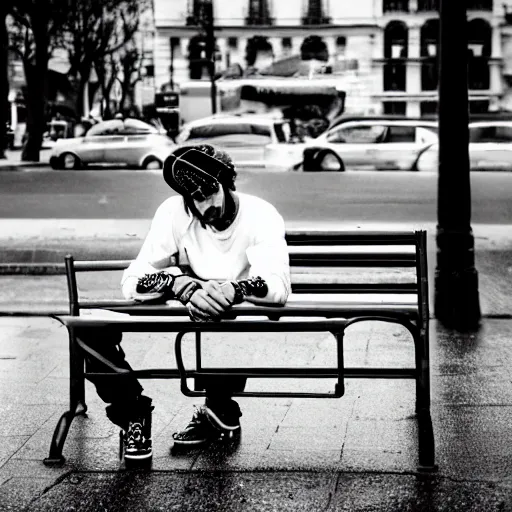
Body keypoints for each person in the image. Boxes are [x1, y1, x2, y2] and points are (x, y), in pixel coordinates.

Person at [78, 144, 291, 463]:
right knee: (87, 328)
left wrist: (234, 290)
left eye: (209, 191)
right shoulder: (174, 212)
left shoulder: (260, 214)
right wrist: (179, 284)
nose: (205, 204)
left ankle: (219, 409)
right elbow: (132, 280)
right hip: (182, 308)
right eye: (195, 197)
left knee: (220, 319)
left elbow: (277, 287)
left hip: (229, 321)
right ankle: (134, 415)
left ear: (226, 181)